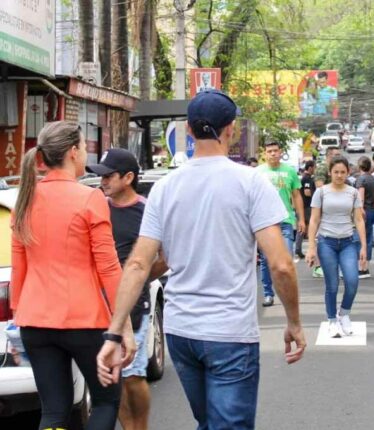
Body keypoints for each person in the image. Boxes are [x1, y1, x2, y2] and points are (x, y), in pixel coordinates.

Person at [97, 90, 306, 429]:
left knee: (209, 420)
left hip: (182, 332)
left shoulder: (165, 187)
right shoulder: (251, 182)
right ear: (231, 130)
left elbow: (137, 265)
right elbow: (281, 264)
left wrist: (115, 330)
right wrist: (294, 322)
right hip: (230, 332)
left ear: (189, 131)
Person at [11, 121, 125, 429]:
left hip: (35, 322)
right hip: (84, 320)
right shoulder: (89, 199)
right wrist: (122, 325)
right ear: (73, 152)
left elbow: (19, 266)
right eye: (85, 146)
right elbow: (109, 268)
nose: (87, 151)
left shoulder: (24, 199)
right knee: (105, 401)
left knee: (54, 411)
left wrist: (16, 318)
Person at [87, 149, 169, 430]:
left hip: (135, 306)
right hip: (98, 304)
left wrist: (138, 280)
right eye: (101, 176)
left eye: (108, 176)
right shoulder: (96, 206)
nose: (102, 181)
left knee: (134, 376)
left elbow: (165, 259)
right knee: (114, 376)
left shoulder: (147, 210)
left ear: (129, 177)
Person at [306, 156, 367, 337]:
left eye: (342, 172)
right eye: (336, 172)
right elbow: (314, 220)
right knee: (331, 284)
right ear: (330, 173)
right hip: (326, 242)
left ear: (348, 172)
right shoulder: (321, 192)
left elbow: (358, 220)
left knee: (352, 281)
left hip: (348, 241)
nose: (339, 175)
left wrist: (363, 246)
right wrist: (311, 247)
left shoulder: (353, 193)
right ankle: (332, 320)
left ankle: (344, 314)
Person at [257, 142, 306, 307]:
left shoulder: (289, 171)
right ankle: (268, 293)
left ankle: (289, 294)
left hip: (285, 221)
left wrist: (301, 219)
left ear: (280, 152)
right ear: (265, 153)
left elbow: (297, 196)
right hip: (265, 223)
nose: (272, 154)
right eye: (269, 151)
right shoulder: (258, 172)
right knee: (265, 260)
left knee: (286, 259)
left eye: (275, 151)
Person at [312, 146, 343, 277]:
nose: (339, 157)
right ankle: (318, 266)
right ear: (329, 156)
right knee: (320, 236)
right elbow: (319, 186)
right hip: (323, 208)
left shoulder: (338, 170)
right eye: (336, 155)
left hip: (337, 209)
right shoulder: (322, 168)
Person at [355, 156, 374, 278]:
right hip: (372, 211)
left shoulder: (361, 180)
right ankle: (366, 267)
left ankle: (360, 267)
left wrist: (360, 209)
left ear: (359, 166)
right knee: (368, 239)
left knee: (359, 239)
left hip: (363, 211)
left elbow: (360, 197)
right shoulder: (373, 180)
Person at [295, 160, 316, 259]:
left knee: (304, 227)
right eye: (314, 167)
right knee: (304, 227)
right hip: (306, 206)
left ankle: (298, 248)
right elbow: (307, 192)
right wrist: (316, 197)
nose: (315, 170)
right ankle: (298, 249)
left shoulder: (304, 178)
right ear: (310, 168)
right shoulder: (307, 179)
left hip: (304, 206)